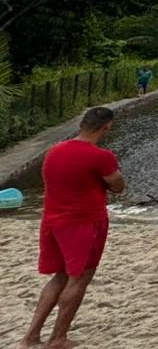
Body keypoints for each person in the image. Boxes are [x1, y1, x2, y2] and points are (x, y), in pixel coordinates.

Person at [21, 107, 126, 349]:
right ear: (106, 127)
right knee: (79, 279)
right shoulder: (101, 156)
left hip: (52, 221)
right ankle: (58, 337)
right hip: (84, 223)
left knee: (60, 276)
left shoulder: (54, 150)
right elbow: (118, 185)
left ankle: (31, 337)